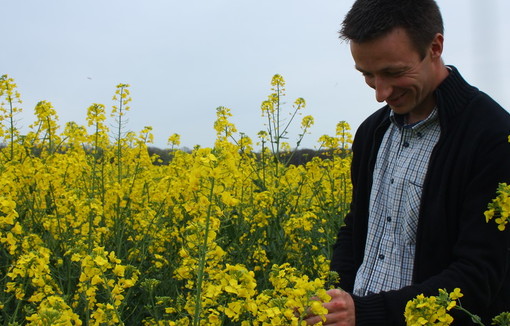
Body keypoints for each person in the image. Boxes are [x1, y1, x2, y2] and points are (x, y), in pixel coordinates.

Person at [305, 0, 510, 325]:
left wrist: (366, 314)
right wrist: (336, 298)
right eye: (367, 75)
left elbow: (479, 275)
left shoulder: (494, 137)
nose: (380, 92)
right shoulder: (372, 131)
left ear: (435, 47)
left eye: (393, 72)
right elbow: (356, 227)